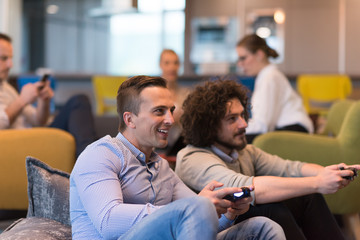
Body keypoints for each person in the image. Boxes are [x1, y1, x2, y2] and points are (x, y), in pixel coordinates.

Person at [70, 75, 285, 240]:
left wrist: (227, 211)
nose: (171, 120)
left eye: (171, 111)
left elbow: (198, 224)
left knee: (264, 227)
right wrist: (194, 207)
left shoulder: (160, 166)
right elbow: (108, 221)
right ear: (130, 119)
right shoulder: (100, 154)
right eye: (159, 111)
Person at [175, 79, 360, 240]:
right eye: (232, 119)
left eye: (242, 115)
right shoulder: (192, 158)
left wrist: (330, 172)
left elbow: (289, 168)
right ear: (208, 126)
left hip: (241, 219)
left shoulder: (244, 151)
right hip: (214, 231)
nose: (244, 124)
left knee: (308, 196)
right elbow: (247, 188)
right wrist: (317, 182)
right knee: (271, 210)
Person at [0, 32, 96, 157]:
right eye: (3, 58)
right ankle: (92, 163)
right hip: (25, 142)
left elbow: (38, 121)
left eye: (11, 58)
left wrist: (43, 100)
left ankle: (94, 158)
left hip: (37, 135)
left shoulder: (6, 88)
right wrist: (22, 100)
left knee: (79, 104)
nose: (10, 65)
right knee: (78, 102)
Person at [236, 34, 313, 143]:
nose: (240, 64)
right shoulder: (266, 76)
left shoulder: (270, 77)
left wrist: (233, 128)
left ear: (259, 54)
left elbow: (263, 125)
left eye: (243, 58)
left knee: (234, 141)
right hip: (288, 129)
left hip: (294, 131)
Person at [159, 49, 189, 156]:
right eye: (167, 63)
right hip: (157, 147)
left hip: (180, 147)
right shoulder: (153, 94)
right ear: (160, 65)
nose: (172, 67)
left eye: (175, 63)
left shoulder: (186, 93)